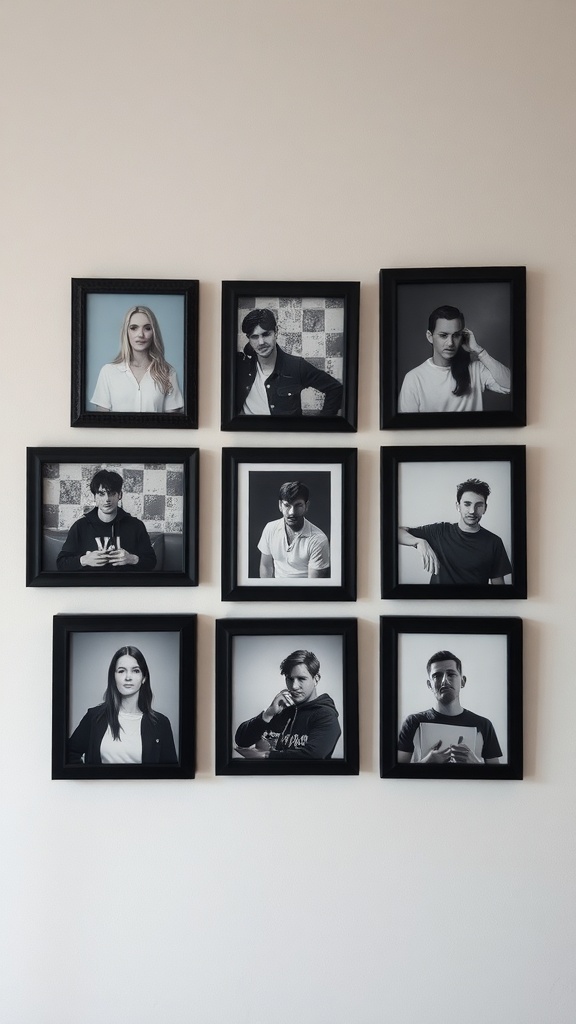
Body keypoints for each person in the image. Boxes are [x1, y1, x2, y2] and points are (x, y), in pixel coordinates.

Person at [68, 646, 177, 765]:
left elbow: (171, 772)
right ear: (113, 677)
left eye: (135, 670)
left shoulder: (161, 723)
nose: (128, 677)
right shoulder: (94, 717)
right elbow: (69, 755)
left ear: (144, 677)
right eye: (121, 671)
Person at [398, 304, 511, 413]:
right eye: (443, 335)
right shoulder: (414, 378)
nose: (450, 343)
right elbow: (406, 427)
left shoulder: (476, 369)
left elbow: (510, 385)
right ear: (429, 337)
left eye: (456, 335)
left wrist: (479, 351)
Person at [398, 477, 512, 585]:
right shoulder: (439, 531)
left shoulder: (494, 542)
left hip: (476, 605)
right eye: (467, 504)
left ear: (485, 508)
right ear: (458, 506)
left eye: (479, 505)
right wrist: (419, 542)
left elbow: (499, 588)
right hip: (438, 604)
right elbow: (395, 532)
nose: (472, 511)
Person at [397, 650, 502, 765]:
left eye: (451, 674)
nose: (444, 681)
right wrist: (426, 763)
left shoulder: (484, 725)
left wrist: (475, 764)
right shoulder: (412, 723)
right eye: (437, 675)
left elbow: (497, 775)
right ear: (429, 685)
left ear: (463, 681)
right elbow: (396, 773)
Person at [235, 650, 341, 759]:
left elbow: (314, 756)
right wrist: (268, 714)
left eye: (301, 679)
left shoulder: (325, 715)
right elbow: (242, 741)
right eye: (290, 679)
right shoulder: (284, 710)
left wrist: (265, 756)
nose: (294, 686)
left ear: (316, 679)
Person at [236, 307, 343, 416]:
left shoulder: (296, 366)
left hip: (285, 432)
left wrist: (322, 427)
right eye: (254, 337)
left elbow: (335, 389)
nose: (261, 342)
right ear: (248, 338)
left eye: (266, 334)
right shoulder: (240, 364)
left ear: (276, 332)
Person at [56, 469, 157, 572]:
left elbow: (151, 562)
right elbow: (61, 564)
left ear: (120, 495)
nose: (107, 499)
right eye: (101, 494)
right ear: (94, 497)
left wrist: (132, 559)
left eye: (112, 493)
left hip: (125, 585)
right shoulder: (80, 526)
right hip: (90, 586)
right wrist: (84, 560)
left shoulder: (136, 525)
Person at [91, 305, 184, 413]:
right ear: (126, 332)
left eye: (147, 328)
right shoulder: (108, 372)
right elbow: (100, 423)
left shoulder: (167, 373)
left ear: (154, 332)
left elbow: (173, 424)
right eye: (134, 328)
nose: (140, 334)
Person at [258, 480, 330, 579]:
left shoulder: (319, 539)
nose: (292, 512)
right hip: (275, 592)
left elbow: (314, 586)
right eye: (287, 505)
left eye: (298, 505)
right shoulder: (270, 528)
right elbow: (266, 566)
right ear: (280, 505)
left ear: (306, 506)